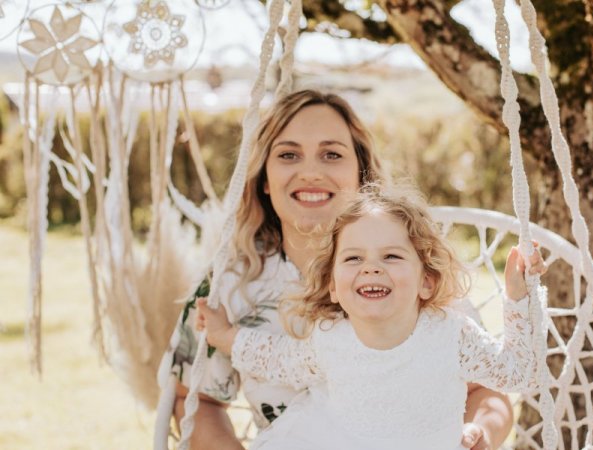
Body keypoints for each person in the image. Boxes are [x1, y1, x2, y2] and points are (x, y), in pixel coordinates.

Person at [167, 90, 516, 449]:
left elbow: (487, 390)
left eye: (331, 154)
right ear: (265, 179)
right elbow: (195, 400)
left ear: (361, 174)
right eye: (288, 155)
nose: (311, 172)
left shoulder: (409, 270)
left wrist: (479, 433)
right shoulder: (231, 281)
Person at [195, 184, 547, 450]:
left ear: (427, 280)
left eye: (391, 256)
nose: (371, 268)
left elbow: (519, 371)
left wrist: (520, 297)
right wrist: (225, 335)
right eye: (353, 259)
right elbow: (279, 360)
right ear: (333, 286)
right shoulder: (330, 337)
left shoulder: (450, 333)